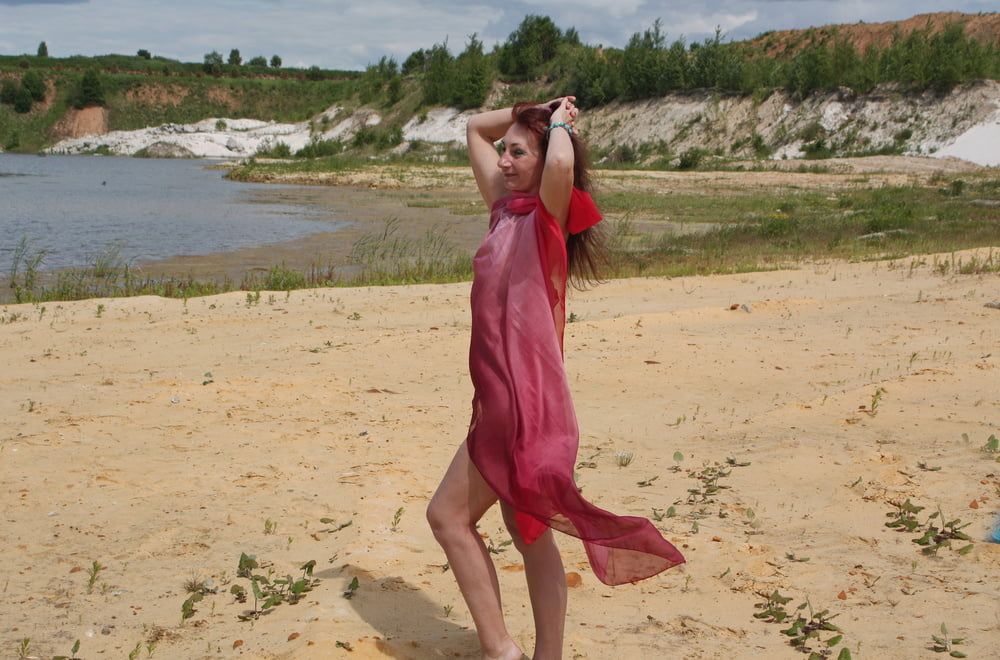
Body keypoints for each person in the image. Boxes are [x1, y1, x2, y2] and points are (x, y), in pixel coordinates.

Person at [426, 97, 685, 660]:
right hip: (503, 400)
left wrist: (561, 124)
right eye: (507, 151)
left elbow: (564, 168)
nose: (506, 159)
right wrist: (534, 109)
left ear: (544, 164)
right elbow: (474, 127)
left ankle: (501, 650)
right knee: (529, 532)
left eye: (519, 152)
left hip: (521, 408)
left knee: (447, 517)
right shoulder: (504, 210)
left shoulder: (546, 220)